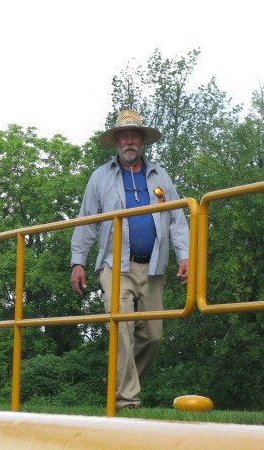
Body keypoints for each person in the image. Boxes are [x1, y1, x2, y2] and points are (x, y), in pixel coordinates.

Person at [70, 109, 190, 411]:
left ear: (143, 140)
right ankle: (127, 402)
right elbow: (86, 221)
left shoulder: (160, 175)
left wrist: (185, 255)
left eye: (134, 135)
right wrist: (78, 262)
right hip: (115, 266)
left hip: (153, 267)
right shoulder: (100, 177)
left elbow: (177, 218)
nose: (129, 141)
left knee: (152, 336)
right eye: (123, 136)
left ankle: (119, 384)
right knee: (120, 332)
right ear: (116, 142)